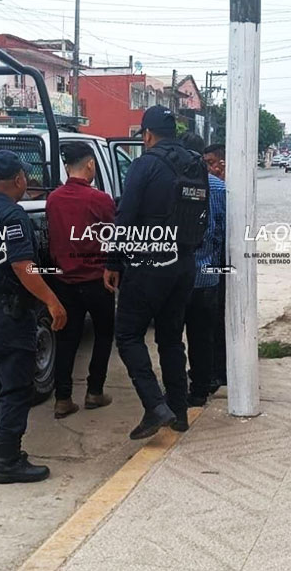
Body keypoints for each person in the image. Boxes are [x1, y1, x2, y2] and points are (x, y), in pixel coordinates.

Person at [0, 150, 67, 484]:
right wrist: (53, 302)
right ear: (20, 179)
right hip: (6, 312)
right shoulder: (13, 215)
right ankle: (8, 462)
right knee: (15, 385)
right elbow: (23, 266)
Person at [104, 105, 208, 439]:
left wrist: (113, 262)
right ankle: (178, 412)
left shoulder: (144, 164)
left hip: (149, 264)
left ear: (147, 135)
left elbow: (126, 216)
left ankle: (154, 406)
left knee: (129, 334)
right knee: (170, 338)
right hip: (184, 263)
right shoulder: (197, 164)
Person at [45, 143, 117, 419]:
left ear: (66, 167)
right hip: (97, 281)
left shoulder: (53, 199)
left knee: (66, 339)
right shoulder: (102, 200)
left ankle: (63, 399)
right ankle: (94, 392)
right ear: (90, 165)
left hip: (64, 282)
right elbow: (113, 238)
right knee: (103, 335)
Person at [180, 135, 227, 406]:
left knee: (172, 338)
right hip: (208, 276)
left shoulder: (170, 184)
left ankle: (175, 390)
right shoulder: (218, 188)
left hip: (175, 275)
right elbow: (225, 233)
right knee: (202, 335)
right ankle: (200, 389)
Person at [202, 143, 229, 393]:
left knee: (218, 320)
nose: (208, 168)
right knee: (212, 321)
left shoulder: (225, 189)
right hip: (213, 266)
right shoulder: (210, 187)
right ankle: (214, 371)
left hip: (222, 265)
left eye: (211, 163)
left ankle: (218, 371)